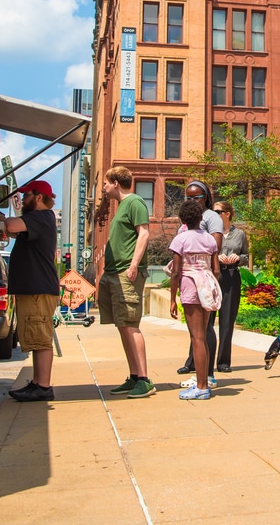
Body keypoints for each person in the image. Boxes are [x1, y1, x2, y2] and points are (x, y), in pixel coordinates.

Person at [0, 180, 60, 402]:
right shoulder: (37, 220)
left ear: (39, 197)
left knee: (40, 339)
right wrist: (3, 222)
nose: (23, 200)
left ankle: (43, 386)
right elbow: (15, 231)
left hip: (38, 289)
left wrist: (5, 221)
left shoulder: (40, 217)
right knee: (34, 337)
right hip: (35, 288)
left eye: (26, 196)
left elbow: (13, 226)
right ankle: (37, 382)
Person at [97, 166, 155, 398]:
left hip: (126, 272)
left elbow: (144, 233)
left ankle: (144, 379)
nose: (103, 187)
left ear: (115, 183)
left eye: (105, 183)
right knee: (123, 324)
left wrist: (133, 265)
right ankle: (133, 377)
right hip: (113, 272)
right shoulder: (121, 207)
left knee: (130, 324)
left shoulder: (135, 203)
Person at [168, 200, 222, 400]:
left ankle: (201, 387)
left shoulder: (180, 240)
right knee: (204, 335)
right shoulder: (210, 240)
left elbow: (175, 272)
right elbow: (216, 270)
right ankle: (205, 380)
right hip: (207, 283)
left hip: (190, 284)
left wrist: (173, 298)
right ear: (201, 218)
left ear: (182, 219)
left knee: (196, 337)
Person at [175, 181, 224, 377]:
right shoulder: (187, 221)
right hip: (188, 280)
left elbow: (215, 247)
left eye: (197, 197)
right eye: (188, 197)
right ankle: (197, 369)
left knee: (205, 328)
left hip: (203, 277)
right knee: (196, 332)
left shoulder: (212, 217)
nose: (193, 200)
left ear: (206, 197)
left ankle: (207, 375)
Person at [213, 200, 249, 372]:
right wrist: (216, 258)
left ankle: (223, 362)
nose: (215, 214)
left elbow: (246, 256)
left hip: (232, 276)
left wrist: (238, 258)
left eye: (218, 212)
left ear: (227, 214)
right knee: (206, 321)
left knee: (227, 321)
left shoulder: (239, 234)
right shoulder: (210, 232)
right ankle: (194, 361)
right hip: (213, 276)